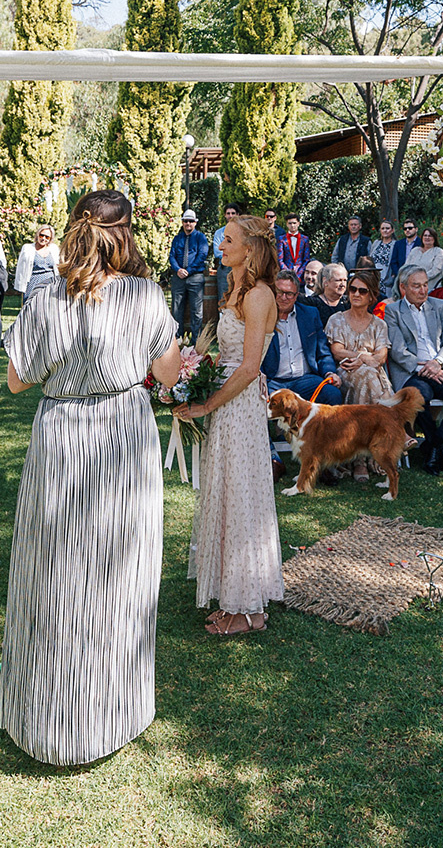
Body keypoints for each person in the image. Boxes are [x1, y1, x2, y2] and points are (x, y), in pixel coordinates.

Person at [0, 190, 182, 763]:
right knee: (118, 575)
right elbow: (169, 375)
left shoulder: (46, 298)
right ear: (124, 235)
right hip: (124, 437)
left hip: (61, 437)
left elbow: (16, 381)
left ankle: (46, 718)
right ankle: (109, 715)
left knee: (53, 572)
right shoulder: (147, 295)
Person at [173, 214, 284, 636]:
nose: (221, 246)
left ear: (250, 250)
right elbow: (229, 357)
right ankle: (235, 600)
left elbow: (251, 367)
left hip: (240, 407)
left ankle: (246, 608)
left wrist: (207, 405)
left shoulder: (258, 296)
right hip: (226, 400)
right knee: (225, 493)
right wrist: (193, 373)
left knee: (241, 497)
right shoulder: (234, 288)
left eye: (229, 241)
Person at [385, 267, 443, 473]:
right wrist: (424, 367)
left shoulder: (438, 306)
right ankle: (438, 448)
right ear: (403, 288)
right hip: (413, 371)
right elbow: (398, 351)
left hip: (440, 368)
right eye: (416, 286)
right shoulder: (393, 311)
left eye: (425, 284)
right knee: (419, 397)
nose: (423, 290)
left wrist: (437, 362)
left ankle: (436, 444)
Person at [262, 273, 343, 405]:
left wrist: (330, 373)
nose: (283, 298)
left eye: (289, 294)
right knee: (260, 402)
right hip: (274, 380)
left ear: (296, 296)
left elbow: (322, 351)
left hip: (305, 379)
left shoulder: (310, 314)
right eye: (279, 292)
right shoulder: (263, 316)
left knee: (332, 394)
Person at [326, 270, 392, 410]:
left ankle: (367, 424)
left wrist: (363, 360)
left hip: (373, 371)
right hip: (346, 371)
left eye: (362, 291)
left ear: (371, 296)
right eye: (353, 289)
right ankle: (388, 423)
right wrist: (363, 356)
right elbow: (337, 352)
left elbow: (381, 355)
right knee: (369, 374)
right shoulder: (337, 320)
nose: (356, 294)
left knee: (369, 373)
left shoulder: (379, 324)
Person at [168, 210, 212, 340]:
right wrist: (178, 269)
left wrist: (189, 270)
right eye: (186, 221)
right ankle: (177, 340)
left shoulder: (201, 238)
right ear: (182, 222)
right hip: (178, 277)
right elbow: (172, 256)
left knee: (196, 311)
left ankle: (196, 341)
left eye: (191, 221)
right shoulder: (177, 238)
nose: (188, 223)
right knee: (176, 310)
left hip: (195, 277)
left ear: (195, 222)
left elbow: (202, 255)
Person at [13, 223, 61, 302]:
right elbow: (21, 269)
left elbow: (58, 267)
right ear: (38, 235)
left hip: (50, 285)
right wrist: (20, 286)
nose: (44, 238)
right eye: (42, 235)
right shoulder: (28, 248)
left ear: (50, 239)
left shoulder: (54, 249)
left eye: (47, 237)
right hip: (33, 283)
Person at [214, 203, 243, 303]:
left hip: (241, 268)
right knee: (223, 298)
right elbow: (217, 252)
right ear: (225, 215)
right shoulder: (219, 233)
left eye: (233, 213)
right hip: (225, 269)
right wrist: (235, 255)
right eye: (228, 213)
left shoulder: (244, 232)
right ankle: (223, 318)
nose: (231, 216)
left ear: (238, 215)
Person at [370, 219, 409, 291]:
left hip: (387, 279)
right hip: (374, 278)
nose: (385, 230)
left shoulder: (396, 244)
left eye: (387, 228)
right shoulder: (376, 243)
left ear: (392, 230)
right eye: (383, 228)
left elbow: (397, 261)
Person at [405, 227, 443, 291]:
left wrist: (420, 278)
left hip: (430, 289)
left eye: (430, 236)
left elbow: (436, 270)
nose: (427, 238)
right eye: (425, 235)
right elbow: (406, 266)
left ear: (434, 238)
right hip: (412, 288)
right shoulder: (415, 250)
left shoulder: (438, 252)